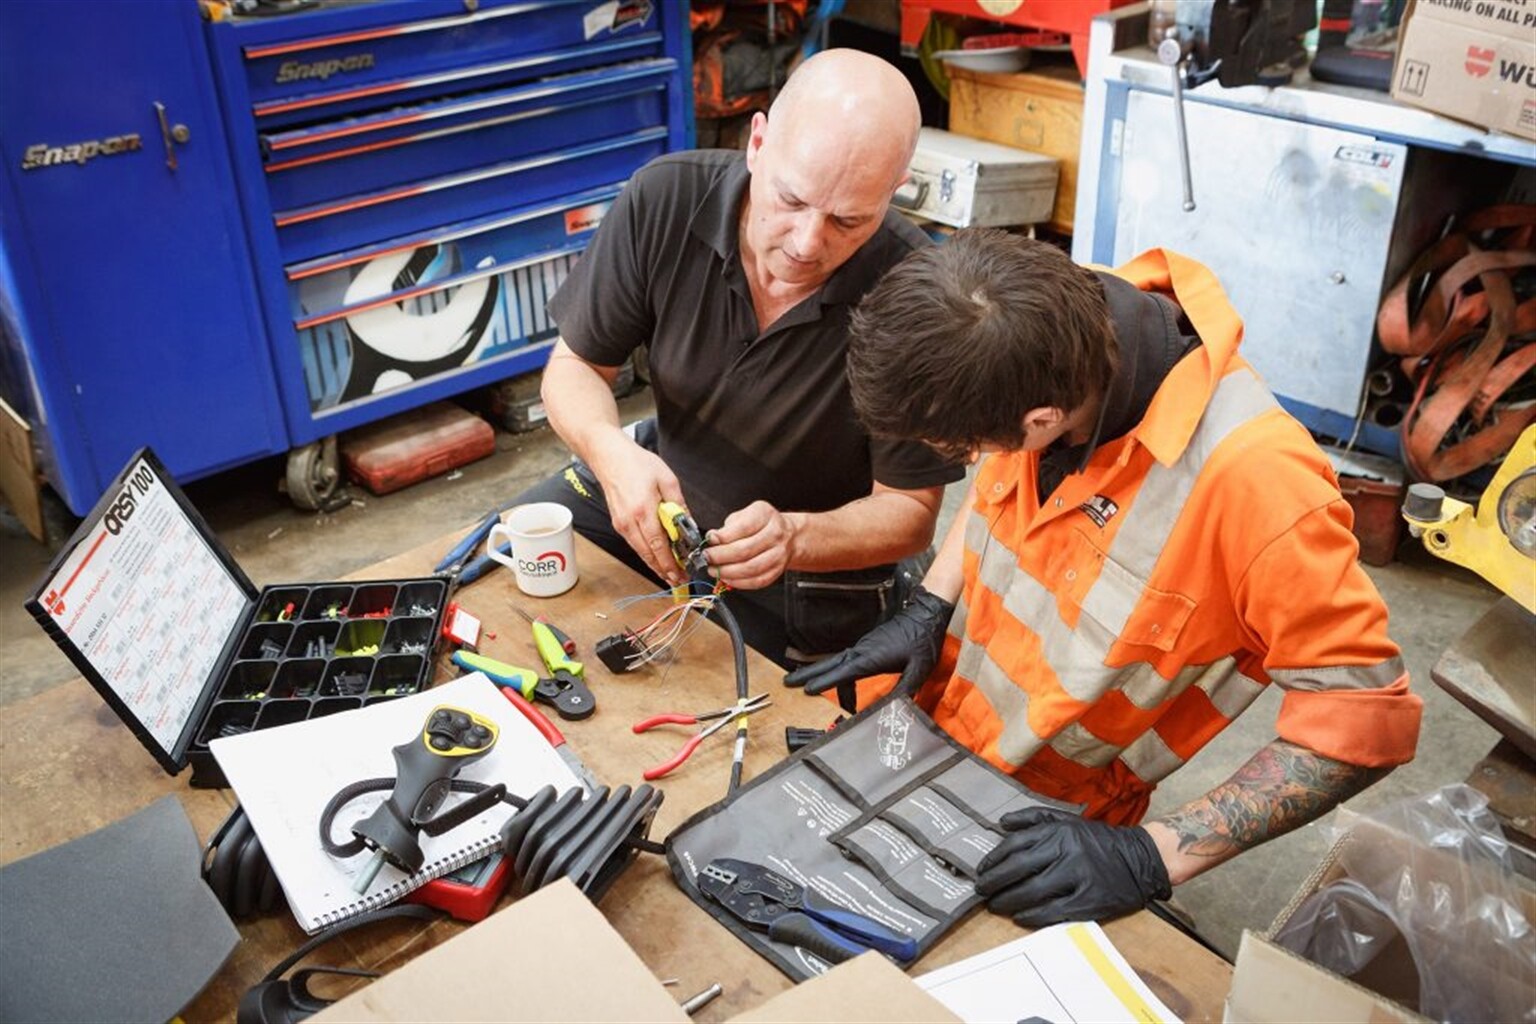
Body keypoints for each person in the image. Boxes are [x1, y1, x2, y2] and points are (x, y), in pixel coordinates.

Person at [787, 230, 1423, 929]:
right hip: (920, 740)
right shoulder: (1041, 317)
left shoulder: (1257, 485)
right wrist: (932, 604)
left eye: (964, 450)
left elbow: (1364, 720)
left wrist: (1152, 856)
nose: (970, 464)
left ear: (1043, 420)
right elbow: (1002, 481)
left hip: (1042, 834)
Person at [515, 49, 964, 669]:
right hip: (663, 489)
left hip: (806, 561)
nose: (808, 243)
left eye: (849, 220)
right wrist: (610, 452)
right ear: (758, 142)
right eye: (791, 199)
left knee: (761, 725)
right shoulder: (667, 197)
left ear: (896, 192)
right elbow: (576, 368)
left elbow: (910, 516)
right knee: (498, 573)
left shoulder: (917, 296)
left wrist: (797, 537)